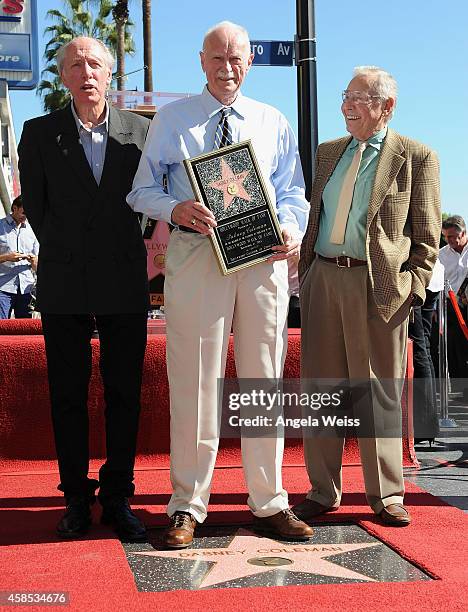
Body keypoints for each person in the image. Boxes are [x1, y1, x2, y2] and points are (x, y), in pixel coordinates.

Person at [127, 21, 311, 547]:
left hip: (262, 261)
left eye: (236, 58)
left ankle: (269, 501)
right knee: (195, 381)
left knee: (263, 381)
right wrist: (175, 207)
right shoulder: (172, 119)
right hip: (195, 257)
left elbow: (292, 192)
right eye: (217, 58)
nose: (227, 68)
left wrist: (292, 229)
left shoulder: (272, 120)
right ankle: (188, 503)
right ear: (200, 61)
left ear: (249, 61)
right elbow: (140, 190)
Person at [293, 66, 441, 527]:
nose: (347, 106)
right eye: (345, 96)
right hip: (323, 279)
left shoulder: (416, 156)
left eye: (359, 98)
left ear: (386, 107)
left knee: (377, 392)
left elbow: (426, 237)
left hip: (379, 289)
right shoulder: (328, 153)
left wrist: (411, 290)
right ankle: (322, 490)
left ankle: (386, 495)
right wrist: (309, 274)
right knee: (322, 389)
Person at [18, 37, 150, 541]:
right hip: (64, 278)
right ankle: (75, 497)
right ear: (64, 75)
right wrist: (73, 250)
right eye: (76, 65)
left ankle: (118, 495)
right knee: (67, 395)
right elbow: (39, 210)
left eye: (95, 63)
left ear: (110, 72)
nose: (86, 72)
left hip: (122, 277)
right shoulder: (38, 133)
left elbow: (148, 199)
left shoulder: (141, 131)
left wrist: (118, 245)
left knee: (125, 394)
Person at [438, 216, 468, 399]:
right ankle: (462, 391)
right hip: (450, 308)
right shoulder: (441, 254)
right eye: (446, 236)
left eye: (453, 236)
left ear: (463, 233)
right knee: (456, 350)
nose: (449, 240)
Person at [0, 195, 39, 319]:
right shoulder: (0, 226)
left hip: (26, 289)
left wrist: (34, 261)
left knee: (25, 332)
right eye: (23, 213)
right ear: (14, 208)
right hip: (3, 289)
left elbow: (37, 265)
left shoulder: (32, 230)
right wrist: (7, 257)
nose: (25, 217)